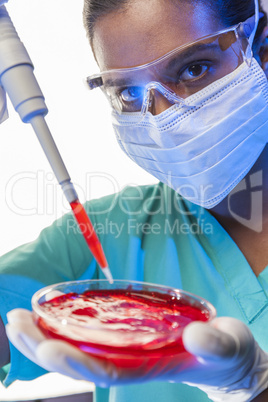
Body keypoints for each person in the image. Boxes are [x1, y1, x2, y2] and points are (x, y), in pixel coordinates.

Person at [1, 0, 268, 400]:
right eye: (129, 91)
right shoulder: (107, 233)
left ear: (261, 50)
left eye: (193, 69)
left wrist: (256, 386)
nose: (160, 116)